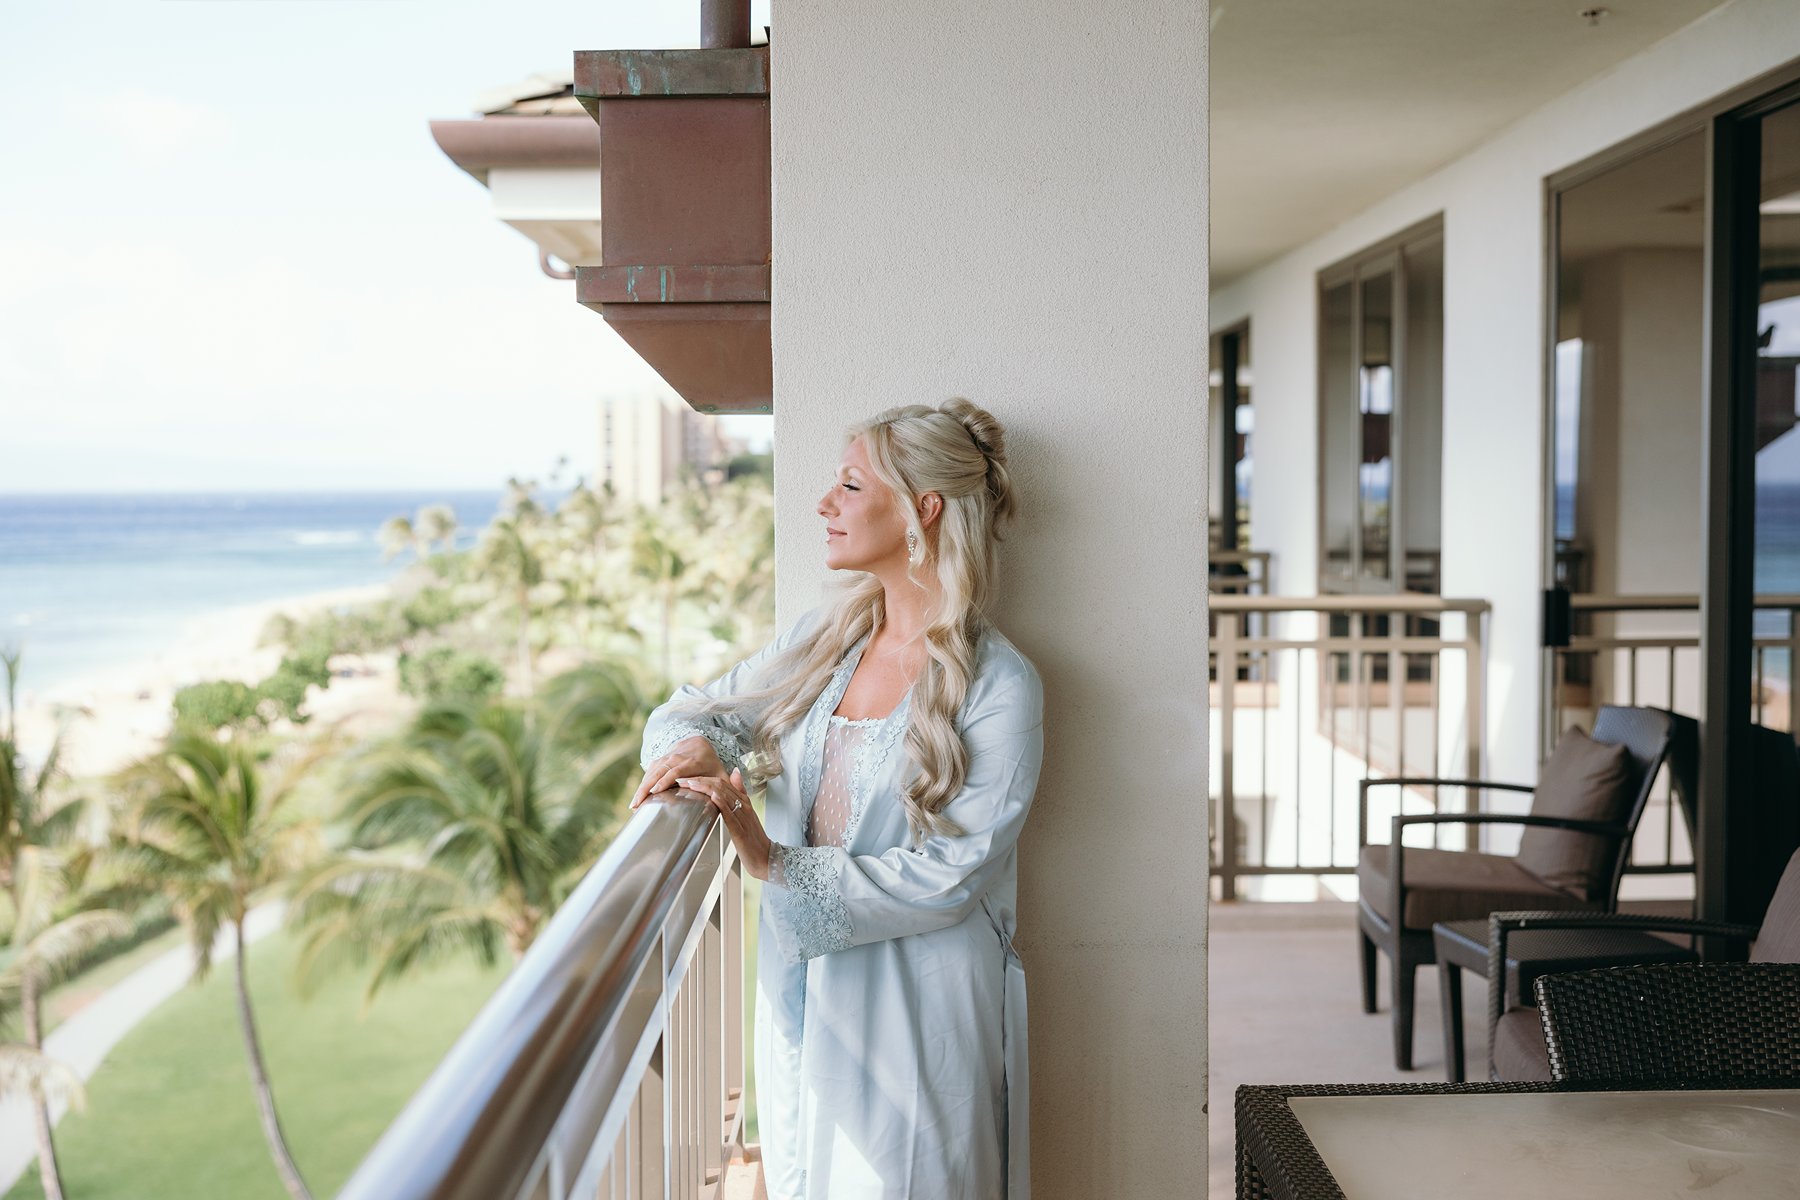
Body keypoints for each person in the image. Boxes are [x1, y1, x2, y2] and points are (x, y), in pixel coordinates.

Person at [629, 398, 1044, 1200]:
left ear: (923, 509)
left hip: (921, 1015)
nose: (824, 503)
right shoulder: (827, 642)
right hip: (804, 993)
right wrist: (701, 754)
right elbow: (691, 711)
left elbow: (952, 875)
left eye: (850, 486)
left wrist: (772, 859)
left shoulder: (1000, 684)